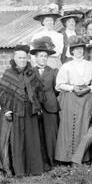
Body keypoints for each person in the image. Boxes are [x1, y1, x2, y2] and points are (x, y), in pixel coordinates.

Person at [0, 44, 45, 176]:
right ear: (14, 58)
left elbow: (39, 91)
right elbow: (3, 94)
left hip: (30, 111)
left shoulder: (32, 72)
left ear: (27, 58)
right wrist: (7, 110)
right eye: (19, 58)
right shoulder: (8, 73)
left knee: (31, 140)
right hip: (16, 112)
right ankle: (19, 170)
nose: (22, 60)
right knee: (17, 140)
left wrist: (37, 105)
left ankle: (33, 169)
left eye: (24, 58)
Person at [55, 35, 92, 164]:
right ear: (72, 51)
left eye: (81, 49)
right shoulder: (66, 66)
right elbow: (59, 85)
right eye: (76, 49)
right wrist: (72, 88)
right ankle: (66, 157)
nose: (79, 51)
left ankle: (81, 157)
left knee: (83, 125)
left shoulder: (90, 65)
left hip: (86, 97)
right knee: (69, 125)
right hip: (71, 97)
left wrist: (89, 88)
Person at [31, 37, 60, 170]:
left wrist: (49, 98)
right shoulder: (30, 72)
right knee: (37, 134)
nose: (43, 58)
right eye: (40, 56)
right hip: (35, 107)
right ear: (35, 58)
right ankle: (41, 163)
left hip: (51, 107)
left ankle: (53, 162)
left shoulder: (53, 72)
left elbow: (56, 90)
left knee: (51, 135)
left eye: (45, 56)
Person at [31, 4, 64, 69]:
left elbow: (59, 53)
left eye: (51, 20)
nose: (49, 22)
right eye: (46, 20)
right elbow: (32, 54)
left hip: (54, 63)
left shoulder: (59, 36)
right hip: (40, 63)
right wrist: (36, 65)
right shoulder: (37, 35)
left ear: (54, 21)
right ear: (43, 22)